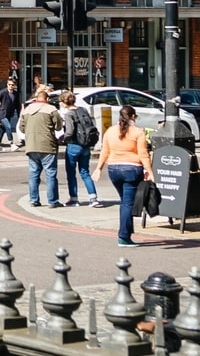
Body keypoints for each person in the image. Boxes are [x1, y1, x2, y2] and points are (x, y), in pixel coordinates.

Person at [95, 104, 152, 247]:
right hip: (132, 170)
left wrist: (98, 168)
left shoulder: (110, 131)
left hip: (114, 169)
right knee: (127, 203)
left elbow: (104, 152)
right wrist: (150, 172)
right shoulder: (138, 132)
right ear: (133, 117)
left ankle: (127, 232)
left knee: (125, 202)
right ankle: (124, 237)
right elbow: (143, 155)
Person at [57, 91, 102, 207]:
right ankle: (93, 198)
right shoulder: (83, 110)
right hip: (86, 145)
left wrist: (63, 139)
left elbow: (69, 132)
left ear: (64, 102)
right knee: (85, 172)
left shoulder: (69, 114)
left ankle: (73, 198)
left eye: (61, 102)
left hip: (73, 145)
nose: (60, 104)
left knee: (71, 173)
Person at [20, 86, 61, 207]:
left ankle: (34, 200)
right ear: (47, 99)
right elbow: (58, 126)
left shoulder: (27, 109)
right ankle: (52, 201)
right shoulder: (51, 109)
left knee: (33, 174)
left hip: (31, 145)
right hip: (47, 145)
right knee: (51, 174)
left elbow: (22, 128)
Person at [0, 78, 22, 149]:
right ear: (7, 85)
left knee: (3, 129)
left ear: (14, 85)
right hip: (2, 113)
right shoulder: (2, 92)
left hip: (9, 113)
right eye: (9, 84)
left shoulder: (16, 93)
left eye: (12, 85)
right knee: (8, 127)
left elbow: (17, 104)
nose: (11, 86)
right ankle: (11, 143)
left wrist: (19, 113)